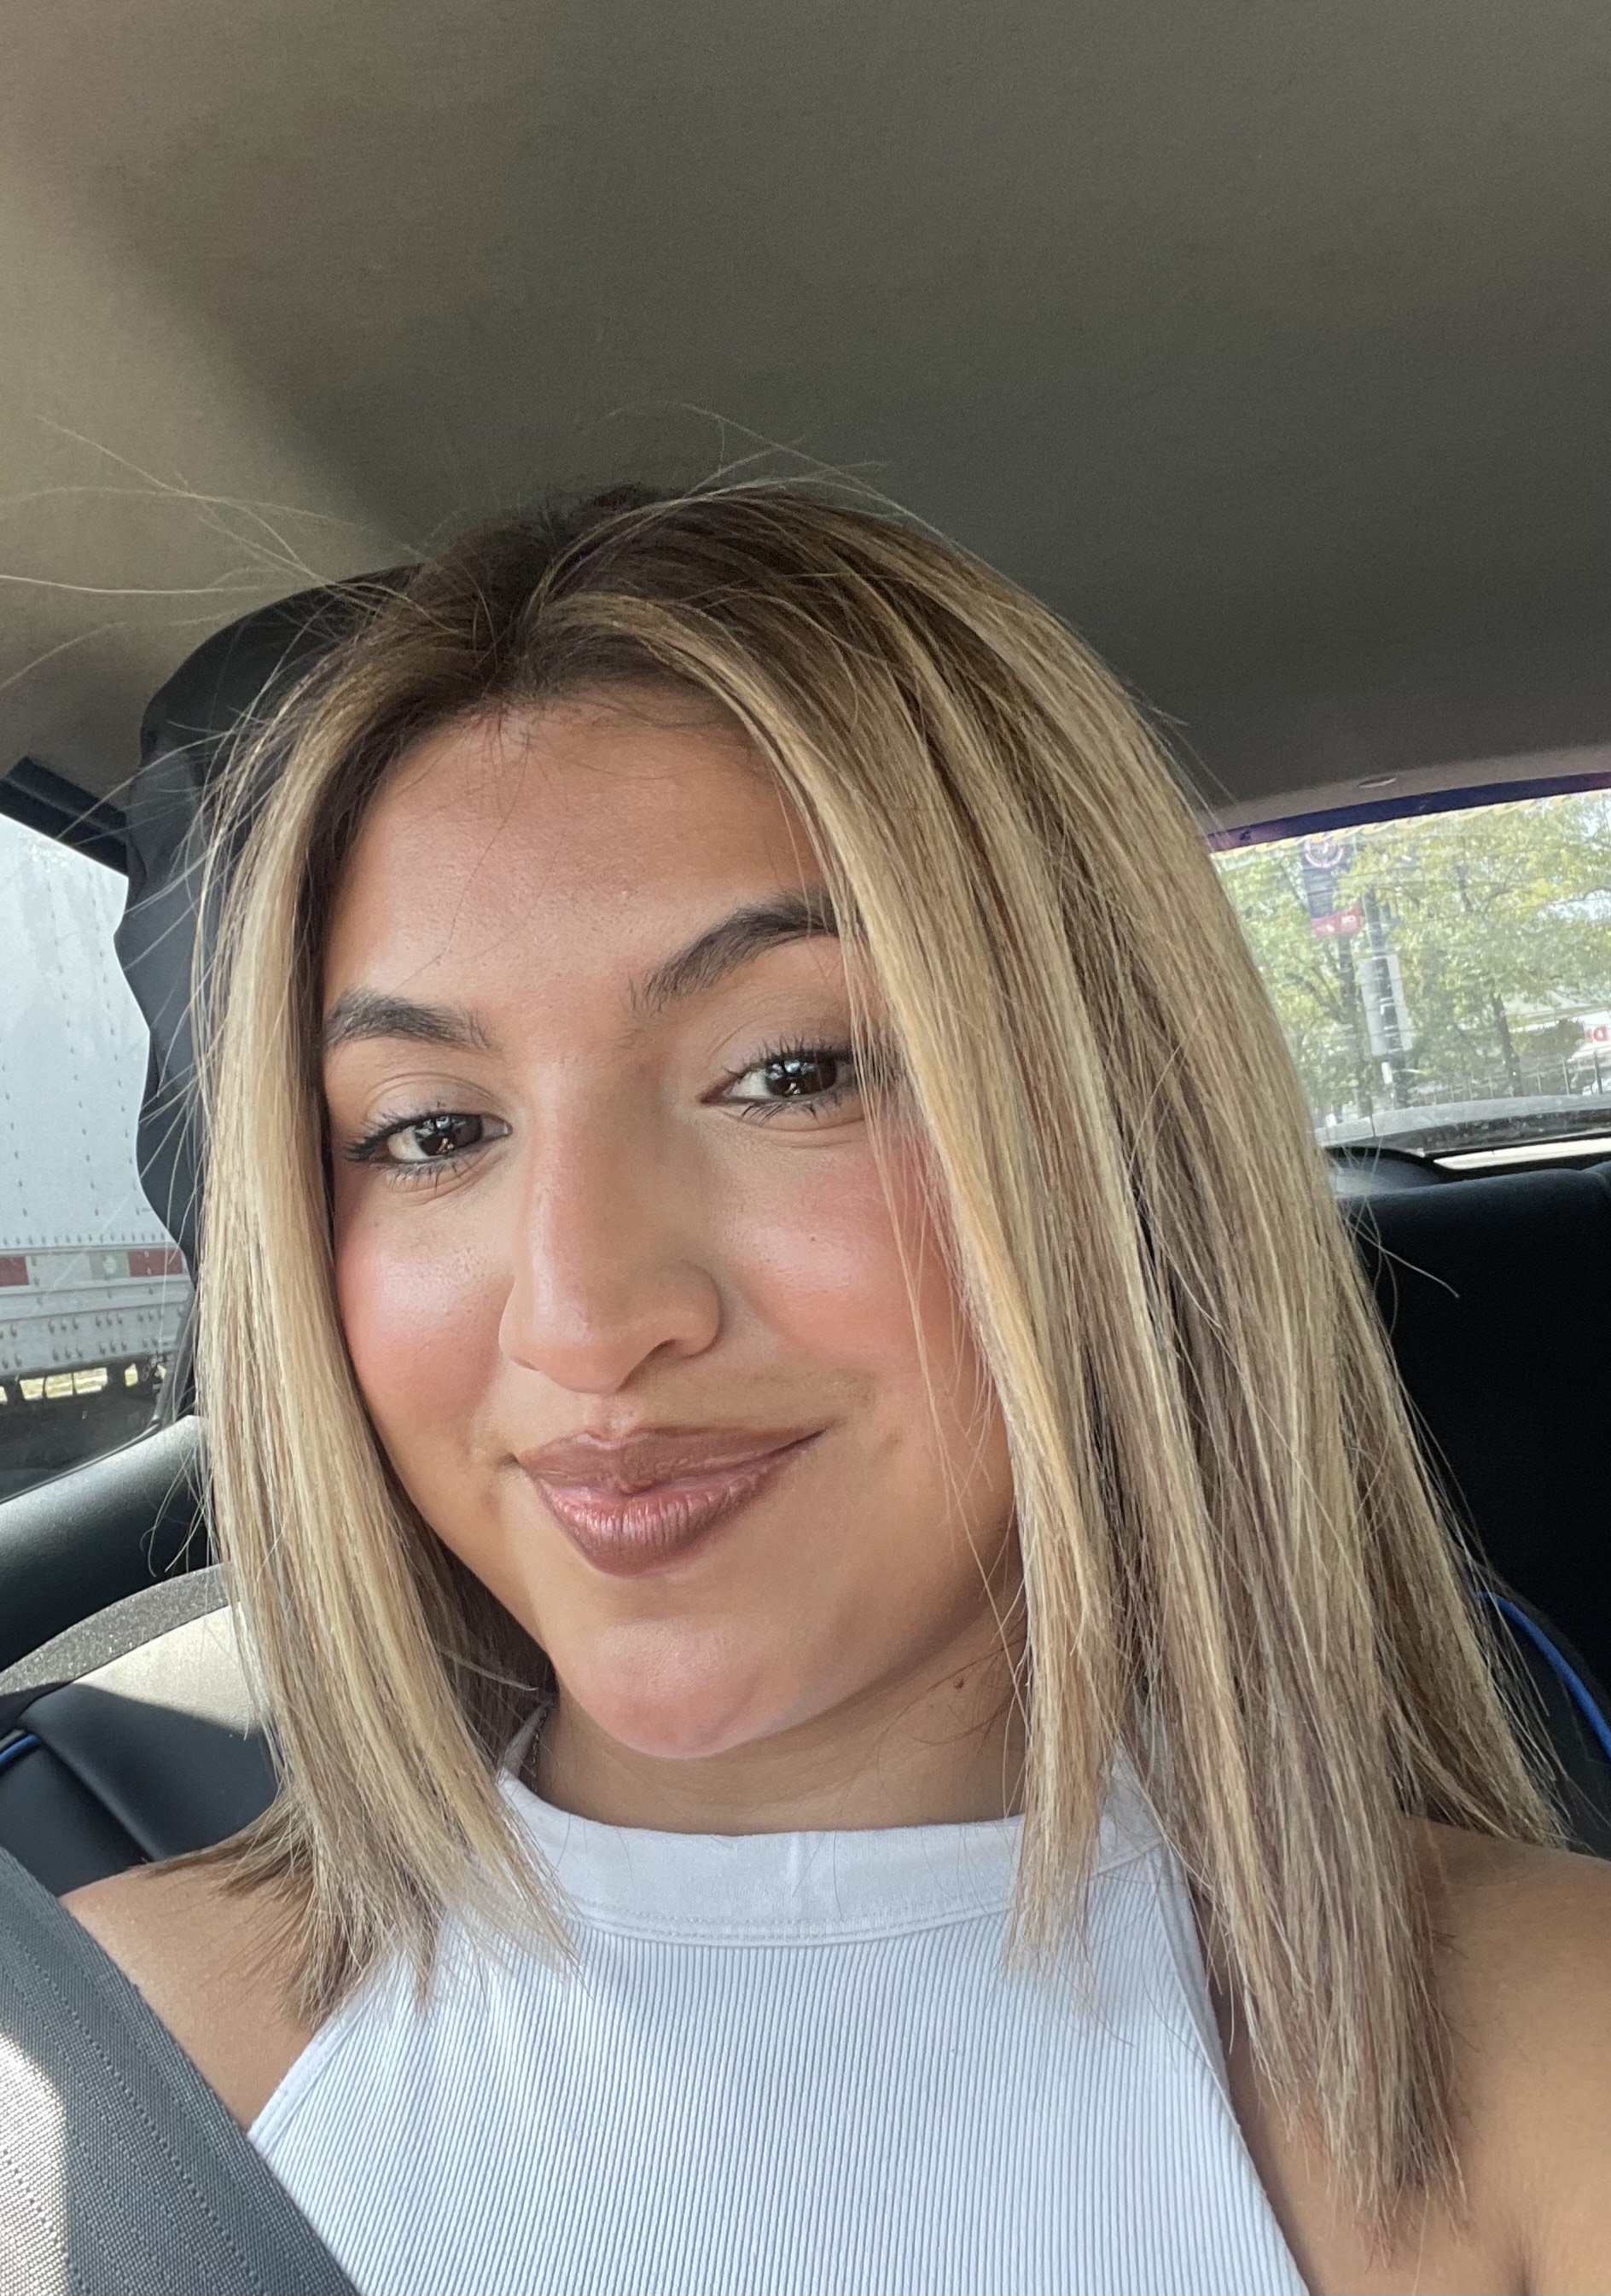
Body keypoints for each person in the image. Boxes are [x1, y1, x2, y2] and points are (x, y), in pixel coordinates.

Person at [67, 485, 1611, 2295]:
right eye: (430, 1130)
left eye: (794, 1071)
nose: (582, 1317)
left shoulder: (1543, 2071)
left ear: (1119, 1149)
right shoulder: (84, 2069)